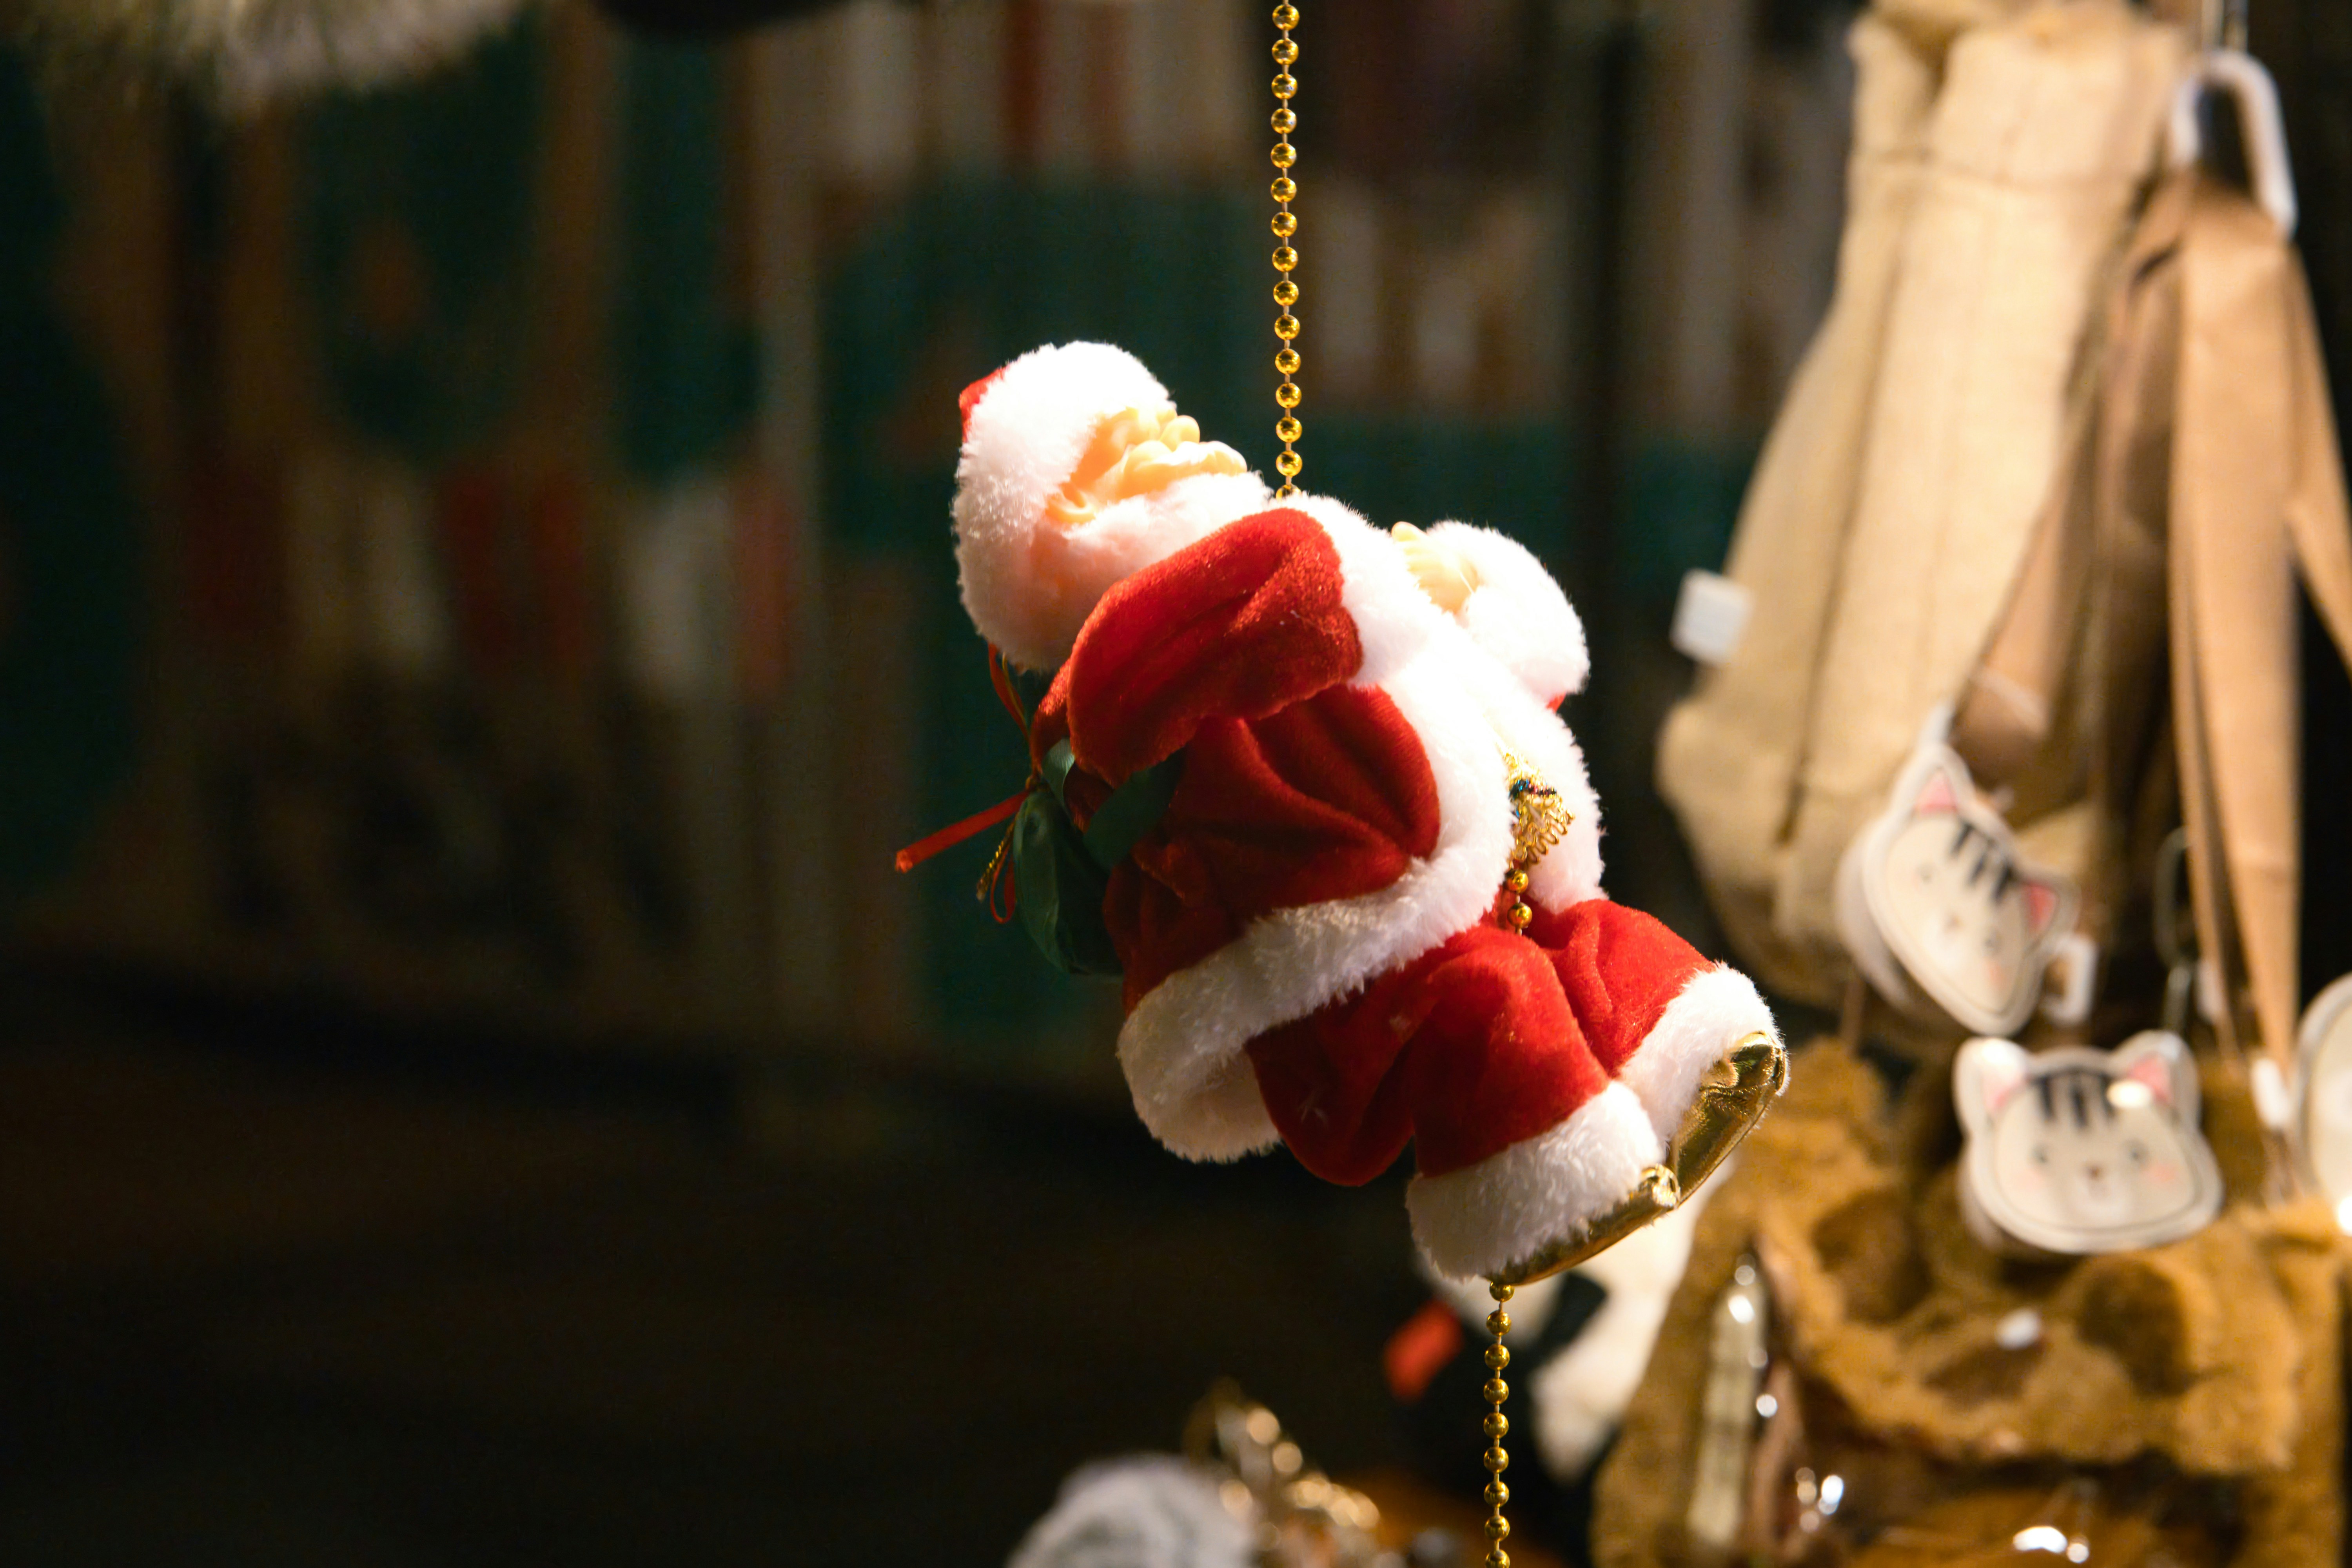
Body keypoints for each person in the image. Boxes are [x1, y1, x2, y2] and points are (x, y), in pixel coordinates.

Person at [950, 342, 1782, 1280]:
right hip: (1338, 919)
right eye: (1139, 439)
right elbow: (1289, 609)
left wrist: (1459, 587)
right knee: (1485, 1006)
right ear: (1072, 517)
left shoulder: (1274, 558)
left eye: (1173, 414)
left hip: (1455, 848)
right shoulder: (1131, 645)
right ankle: (1534, 1189)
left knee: (1590, 940)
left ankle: (1690, 1057)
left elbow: (1423, 644)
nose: (1186, 432)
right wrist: (1343, 576)